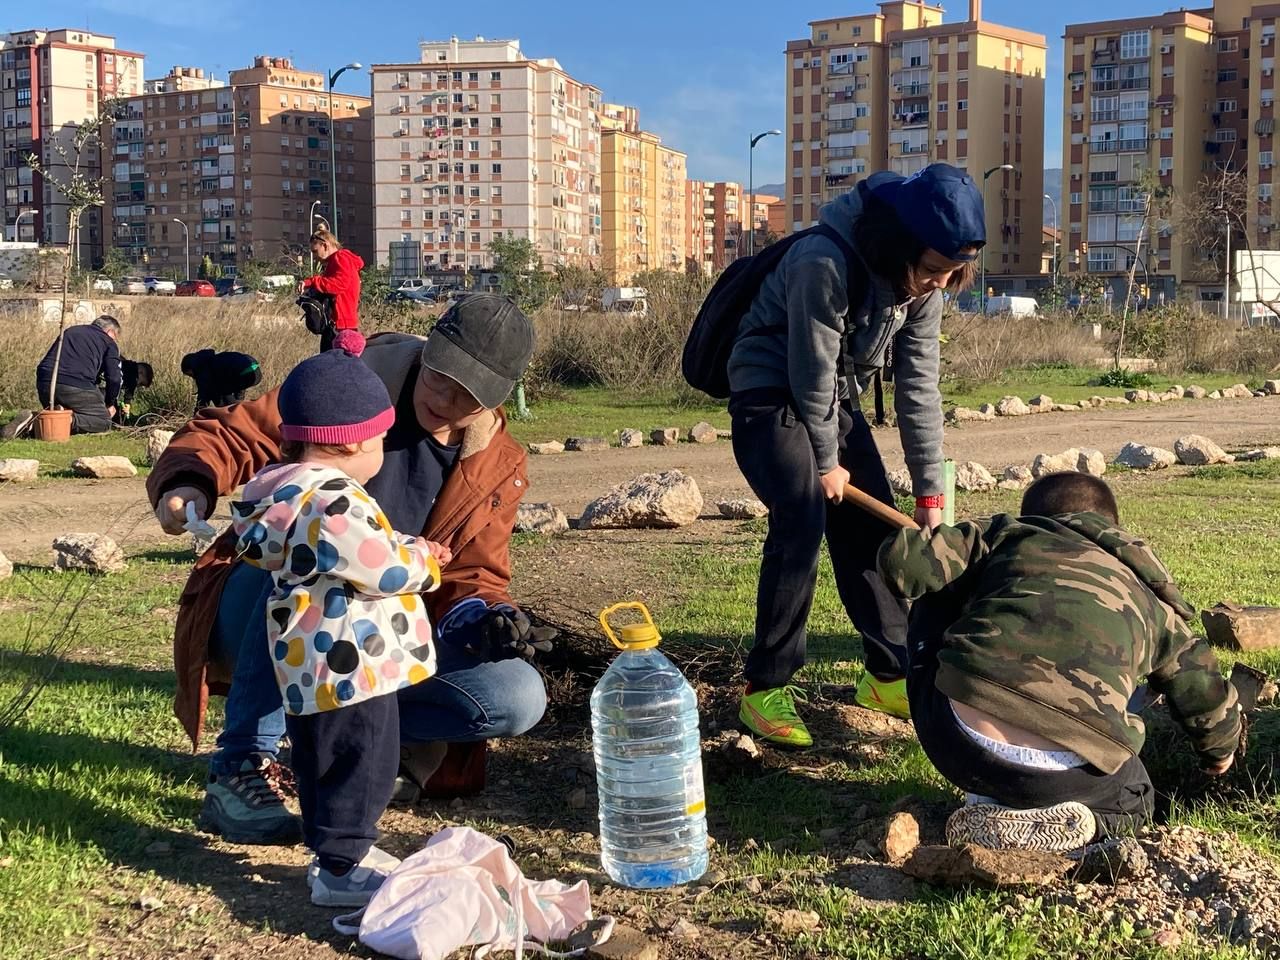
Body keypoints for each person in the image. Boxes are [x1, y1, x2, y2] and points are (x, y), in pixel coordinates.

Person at [146, 294, 551, 845]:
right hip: (274, 612)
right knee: (304, 554)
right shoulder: (354, 381)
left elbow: (472, 574)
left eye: (469, 396)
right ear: (428, 349)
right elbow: (235, 433)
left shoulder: (499, 461)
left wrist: (485, 615)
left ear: (499, 398)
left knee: (518, 695)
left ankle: (351, 743)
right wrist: (188, 479)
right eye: (439, 377)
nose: (445, 398)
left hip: (375, 639)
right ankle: (242, 764)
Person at [727, 163, 983, 748]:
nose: (940, 284)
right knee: (802, 515)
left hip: (831, 398)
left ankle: (888, 673)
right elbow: (810, 372)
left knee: (869, 526)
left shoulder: (927, 285)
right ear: (902, 246)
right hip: (768, 393)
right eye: (934, 271)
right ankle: (764, 688)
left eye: (953, 273)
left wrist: (931, 495)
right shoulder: (823, 261)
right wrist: (823, 464)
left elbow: (920, 390)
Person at [877, 473, 1243, 851]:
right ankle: (1088, 823)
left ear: (1034, 516)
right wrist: (1220, 752)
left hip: (955, 740)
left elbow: (901, 567)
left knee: (936, 593)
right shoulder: (1152, 602)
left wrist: (929, 541)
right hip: (1071, 776)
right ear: (1112, 525)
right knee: (1136, 796)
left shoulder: (1005, 534)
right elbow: (1204, 690)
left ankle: (994, 806)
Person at [230, 346, 451, 906]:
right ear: (354, 441)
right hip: (355, 660)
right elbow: (379, 566)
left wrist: (399, 545)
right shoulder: (333, 499)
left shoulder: (285, 491)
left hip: (312, 662)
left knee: (323, 758)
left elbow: (345, 554)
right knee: (364, 760)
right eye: (379, 439)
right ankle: (341, 869)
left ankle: (337, 851)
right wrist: (423, 560)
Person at [31, 315, 123, 435]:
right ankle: (66, 420)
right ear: (110, 331)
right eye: (115, 337)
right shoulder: (108, 342)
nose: (114, 340)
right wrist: (109, 403)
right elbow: (114, 378)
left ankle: (40, 419)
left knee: (72, 405)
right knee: (103, 421)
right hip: (75, 385)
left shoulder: (71, 331)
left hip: (45, 381)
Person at [301, 228, 364, 352]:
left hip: (340, 326)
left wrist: (312, 281)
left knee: (332, 367)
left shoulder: (341, 257)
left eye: (315, 251)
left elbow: (339, 284)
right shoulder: (336, 261)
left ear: (325, 245)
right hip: (342, 325)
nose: (314, 257)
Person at [181, 349, 262, 410]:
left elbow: (203, 398)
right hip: (255, 369)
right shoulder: (213, 361)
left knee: (215, 393)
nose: (192, 377)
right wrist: (239, 398)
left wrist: (195, 417)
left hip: (246, 373)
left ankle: (231, 415)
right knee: (223, 387)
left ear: (191, 368)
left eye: (190, 374)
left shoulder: (202, 370)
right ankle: (238, 409)